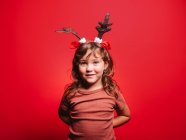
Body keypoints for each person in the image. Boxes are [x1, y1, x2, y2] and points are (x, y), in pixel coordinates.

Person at [58, 13, 131, 140]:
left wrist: (107, 124)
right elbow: (62, 114)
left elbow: (125, 115)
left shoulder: (112, 91)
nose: (89, 69)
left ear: (105, 65)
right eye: (83, 63)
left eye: (95, 62)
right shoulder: (71, 93)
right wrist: (77, 125)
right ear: (77, 65)